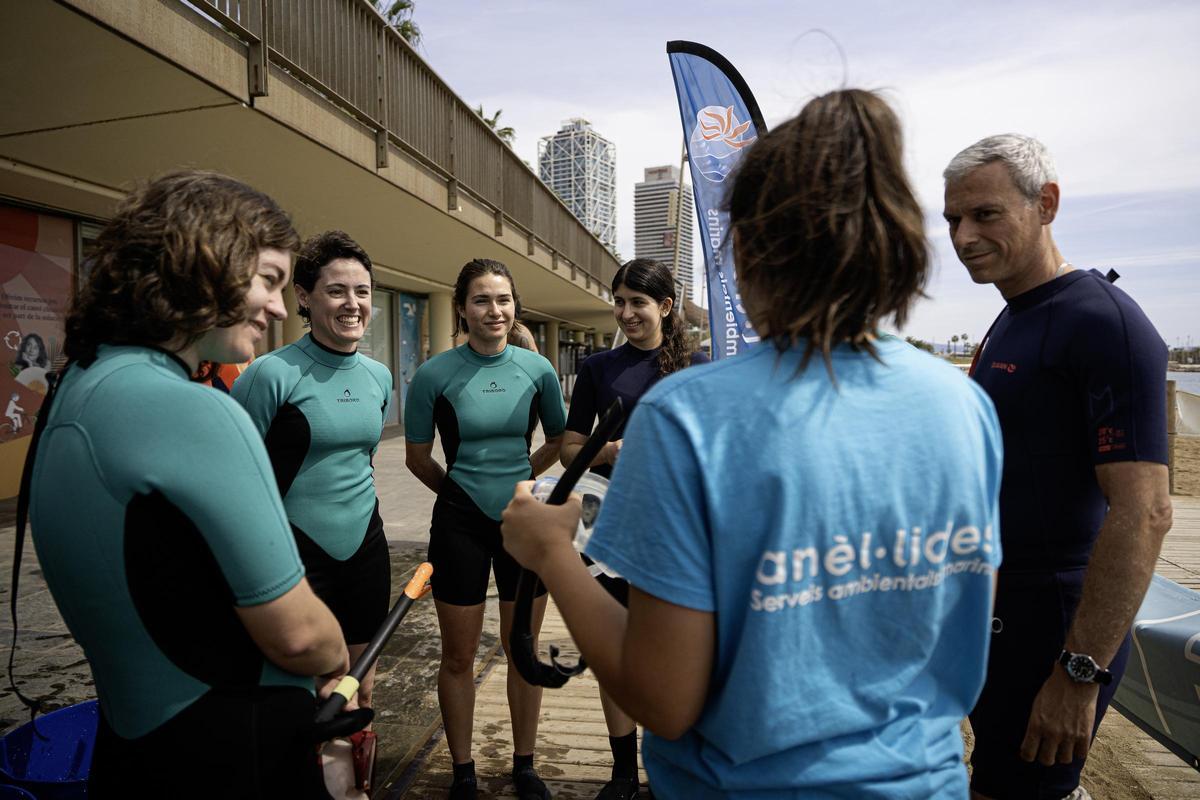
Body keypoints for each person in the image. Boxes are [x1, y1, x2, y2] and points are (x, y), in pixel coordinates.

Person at [500, 89, 1003, 798]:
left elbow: (663, 699)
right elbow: (961, 640)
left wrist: (552, 552)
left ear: (746, 249)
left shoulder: (691, 416)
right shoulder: (964, 406)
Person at [27, 170, 348, 798]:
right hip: (232, 750)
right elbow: (300, 634)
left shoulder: (77, 386)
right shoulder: (192, 407)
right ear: (207, 263)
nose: (280, 309)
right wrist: (337, 657)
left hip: (133, 745)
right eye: (269, 281)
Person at [942, 134, 1173, 800]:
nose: (962, 236)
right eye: (953, 219)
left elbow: (1146, 512)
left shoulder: (1104, 324)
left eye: (984, 214)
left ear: (1045, 203)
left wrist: (1079, 674)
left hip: (1056, 623)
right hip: (1000, 612)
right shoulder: (1014, 318)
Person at [404, 258, 566, 800]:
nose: (494, 310)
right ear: (461, 309)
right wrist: (459, 496)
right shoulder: (434, 374)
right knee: (458, 655)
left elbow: (558, 442)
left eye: (502, 300)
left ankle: (525, 765)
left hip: (523, 521)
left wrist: (524, 480)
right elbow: (417, 458)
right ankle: (463, 772)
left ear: (514, 305)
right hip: (459, 525)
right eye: (481, 300)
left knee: (524, 647)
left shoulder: (537, 370)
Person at [231, 231, 393, 744]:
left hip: (365, 548)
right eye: (337, 291)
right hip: (295, 555)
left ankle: (354, 785)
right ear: (304, 296)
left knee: (360, 690)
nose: (353, 304)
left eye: (362, 291)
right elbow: (234, 479)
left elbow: (361, 458)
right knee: (307, 698)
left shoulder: (378, 375)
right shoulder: (269, 374)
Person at [560, 257, 708, 800]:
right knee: (617, 653)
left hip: (677, 529)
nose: (625, 313)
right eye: (618, 301)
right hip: (609, 525)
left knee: (680, 649)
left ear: (666, 307)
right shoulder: (598, 368)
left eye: (637, 302)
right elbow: (571, 447)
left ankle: (674, 769)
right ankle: (623, 772)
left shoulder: (697, 367)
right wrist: (614, 448)